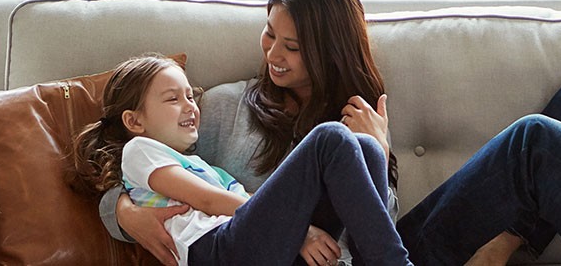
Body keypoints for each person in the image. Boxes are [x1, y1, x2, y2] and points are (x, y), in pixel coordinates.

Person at [101, 0, 399, 266]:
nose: (273, 54)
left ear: (330, 52)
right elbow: (141, 164)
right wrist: (125, 213)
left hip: (335, 258)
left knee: (361, 145)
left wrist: (380, 155)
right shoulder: (222, 107)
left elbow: (377, 230)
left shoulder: (362, 118)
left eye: (292, 47)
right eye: (269, 34)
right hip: (244, 249)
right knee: (331, 138)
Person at [72, 54, 409, 265]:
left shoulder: (208, 168)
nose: (191, 106)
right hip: (215, 251)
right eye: (173, 99)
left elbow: (250, 203)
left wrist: (297, 233)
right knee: (329, 137)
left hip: (250, 246)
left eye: (190, 96)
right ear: (134, 121)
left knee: (363, 145)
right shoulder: (141, 150)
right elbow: (205, 198)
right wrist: (298, 228)